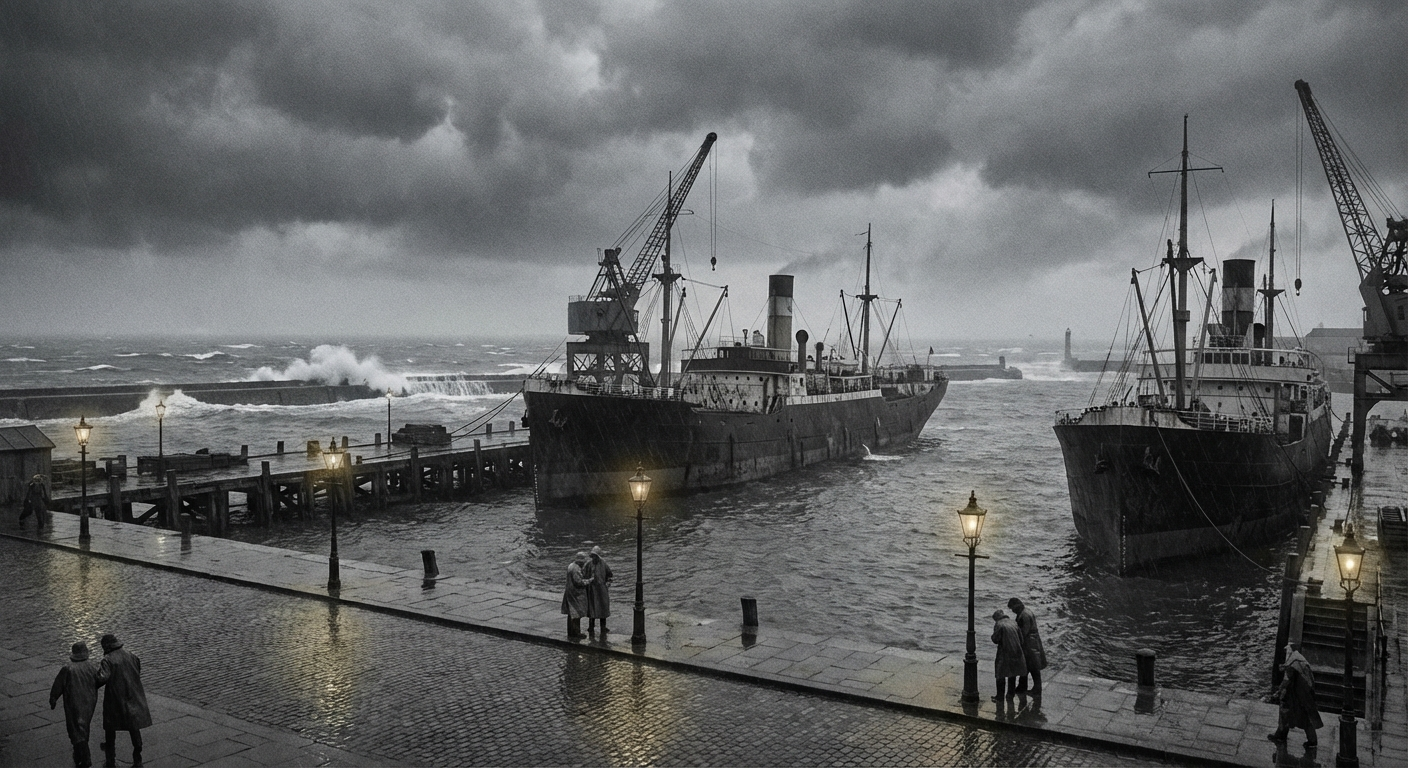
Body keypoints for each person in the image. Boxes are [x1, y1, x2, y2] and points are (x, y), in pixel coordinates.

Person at [96, 634, 151, 768]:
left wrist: (92, 681)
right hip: (133, 693)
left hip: (116, 696)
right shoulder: (131, 655)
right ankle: (138, 750)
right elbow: (137, 670)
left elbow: (102, 678)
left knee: (110, 723)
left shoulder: (108, 660)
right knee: (134, 723)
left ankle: (110, 747)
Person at [49, 641, 102, 768]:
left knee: (75, 728)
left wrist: (53, 698)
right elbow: (99, 680)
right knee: (84, 726)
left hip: (73, 702)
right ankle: (79, 753)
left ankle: (85, 757)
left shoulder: (68, 669)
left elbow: (58, 685)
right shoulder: (91, 667)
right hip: (89, 702)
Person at [1270, 641, 1322, 748]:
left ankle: (1281, 736)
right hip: (1304, 693)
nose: (1286, 652)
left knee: (1285, 712)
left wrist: (1278, 691)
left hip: (1296, 694)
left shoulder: (1293, 661)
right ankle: (1312, 740)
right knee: (1305, 717)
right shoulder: (1300, 658)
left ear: (1291, 650)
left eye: (1287, 650)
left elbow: (1286, 680)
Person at [1008, 597, 1048, 695]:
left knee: (1032, 666)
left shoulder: (1024, 615)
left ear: (1016, 606)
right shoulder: (1026, 611)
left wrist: (1017, 643)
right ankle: (1023, 686)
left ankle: (1036, 689)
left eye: (1012, 608)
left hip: (1029, 644)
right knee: (1029, 665)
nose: (1012, 611)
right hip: (1032, 641)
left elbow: (1023, 632)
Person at [991, 609, 1027, 701]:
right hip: (1017, 652)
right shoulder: (1014, 623)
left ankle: (1000, 697)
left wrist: (992, 636)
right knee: (1013, 674)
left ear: (996, 618)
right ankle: (1010, 695)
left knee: (1000, 674)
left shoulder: (999, 624)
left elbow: (996, 639)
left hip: (1005, 652)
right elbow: (1021, 640)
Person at [560, 552, 592, 639]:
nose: (584, 563)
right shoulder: (576, 569)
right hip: (575, 594)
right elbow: (579, 582)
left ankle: (571, 632)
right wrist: (589, 581)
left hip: (570, 592)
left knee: (571, 614)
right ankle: (576, 633)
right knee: (576, 614)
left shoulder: (571, 565)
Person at [584, 545, 613, 634]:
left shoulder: (604, 563)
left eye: (595, 556)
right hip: (592, 590)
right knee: (591, 608)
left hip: (601, 590)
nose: (594, 558)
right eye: (592, 556)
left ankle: (603, 627)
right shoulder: (588, 564)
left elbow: (610, 575)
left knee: (603, 608)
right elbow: (584, 575)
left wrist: (608, 583)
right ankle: (591, 626)